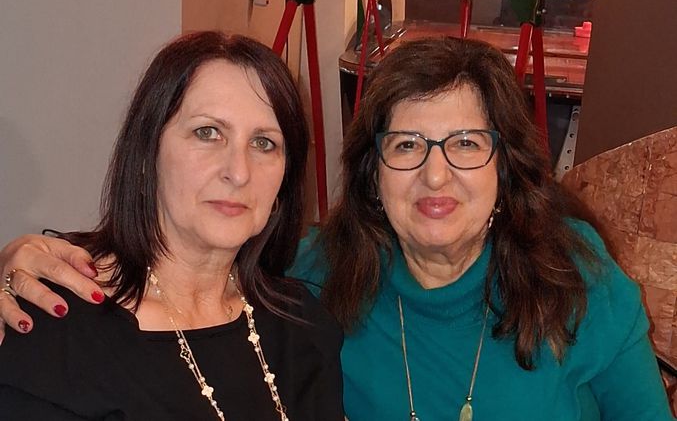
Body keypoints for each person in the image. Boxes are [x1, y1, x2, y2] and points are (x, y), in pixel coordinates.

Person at [0, 36, 673, 421]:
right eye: (406, 145)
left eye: (466, 144)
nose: (436, 175)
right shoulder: (321, 278)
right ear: (371, 176)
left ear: (507, 166)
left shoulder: (574, 279)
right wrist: (27, 257)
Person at [0, 31, 344, 420]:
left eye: (264, 143)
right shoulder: (56, 329)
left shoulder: (303, 327)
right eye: (208, 133)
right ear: (147, 153)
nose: (239, 172)